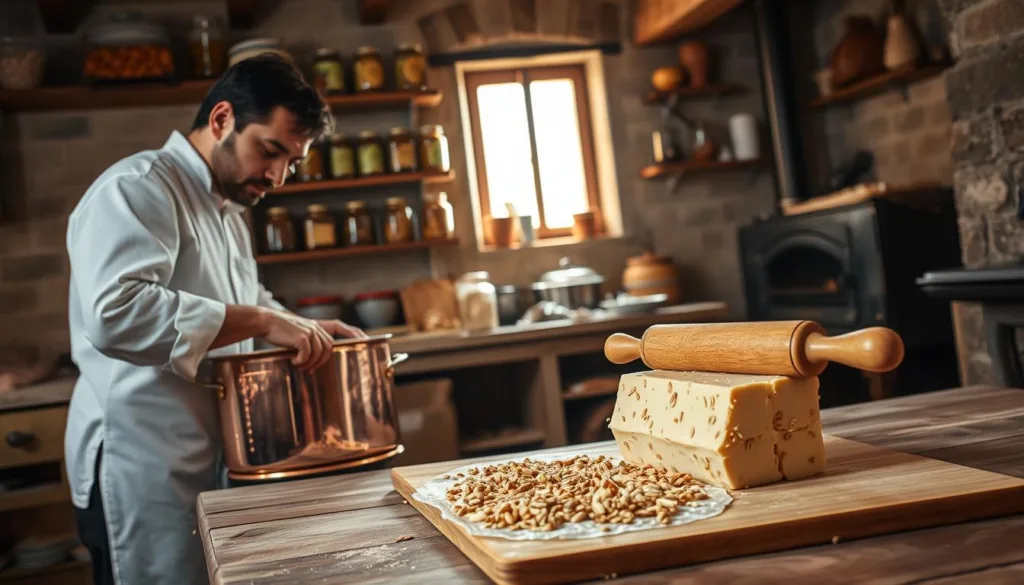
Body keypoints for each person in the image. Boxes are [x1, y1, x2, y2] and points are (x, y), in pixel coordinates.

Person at [63, 54, 364, 585]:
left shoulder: (226, 209)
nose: (276, 176)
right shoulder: (137, 188)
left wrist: (298, 325)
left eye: (291, 163)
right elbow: (115, 314)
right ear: (222, 119)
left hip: (206, 451)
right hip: (141, 460)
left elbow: (245, 300)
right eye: (269, 151)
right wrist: (258, 319)